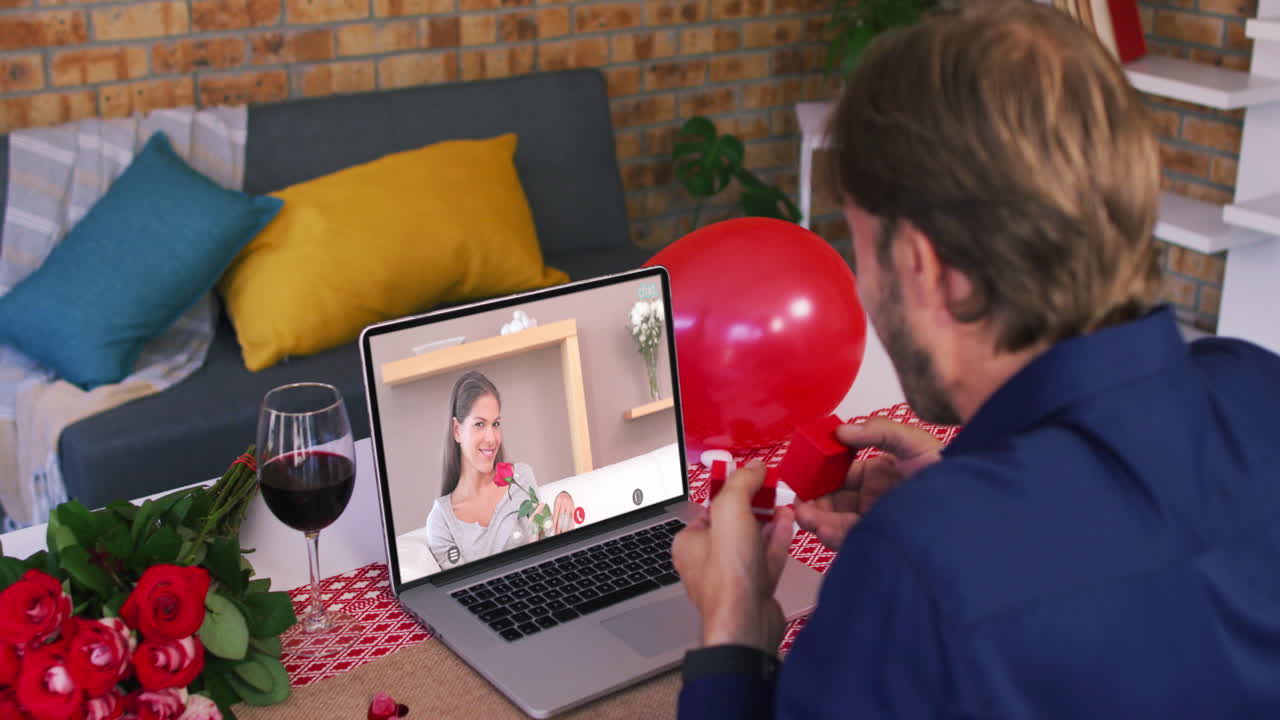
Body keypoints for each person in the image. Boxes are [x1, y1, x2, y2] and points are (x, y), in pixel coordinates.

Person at [672, 0, 1280, 716]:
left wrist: (734, 630)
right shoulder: (1257, 384)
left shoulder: (918, 565)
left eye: (861, 251)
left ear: (925, 266)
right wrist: (962, 488)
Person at [425, 370, 576, 570]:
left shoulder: (521, 477)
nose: (491, 438)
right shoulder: (442, 521)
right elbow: (464, 587)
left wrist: (565, 497)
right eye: (479, 424)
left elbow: (550, 551)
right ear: (457, 430)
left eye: (495, 424)